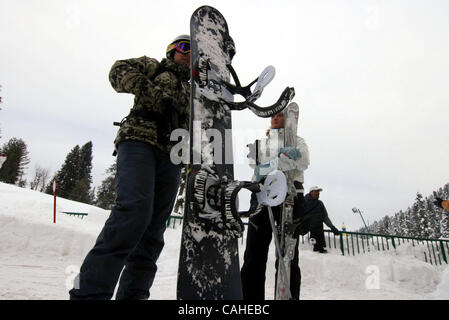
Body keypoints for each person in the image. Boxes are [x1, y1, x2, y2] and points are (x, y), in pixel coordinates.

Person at [69, 35, 191, 300]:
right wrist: (153, 93)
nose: (189, 53)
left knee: (153, 231)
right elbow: (117, 71)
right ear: (171, 51)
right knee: (133, 211)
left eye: (195, 51)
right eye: (184, 47)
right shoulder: (154, 67)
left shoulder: (194, 92)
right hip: (139, 141)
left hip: (172, 156)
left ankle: (133, 296)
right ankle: (89, 294)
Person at [241, 111, 310, 300]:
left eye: (280, 116)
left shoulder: (298, 140)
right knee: (254, 253)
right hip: (262, 192)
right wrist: (282, 161)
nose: (275, 118)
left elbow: (303, 160)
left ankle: (287, 295)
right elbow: (256, 167)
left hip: (291, 193)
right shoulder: (260, 143)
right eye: (273, 116)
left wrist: (271, 163)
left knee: (288, 254)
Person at [304, 186, 339, 253]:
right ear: (311, 192)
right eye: (316, 191)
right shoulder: (304, 201)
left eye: (319, 192)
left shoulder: (320, 203)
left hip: (319, 229)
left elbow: (325, 217)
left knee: (320, 249)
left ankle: (320, 248)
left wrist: (332, 227)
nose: (318, 193)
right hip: (307, 229)